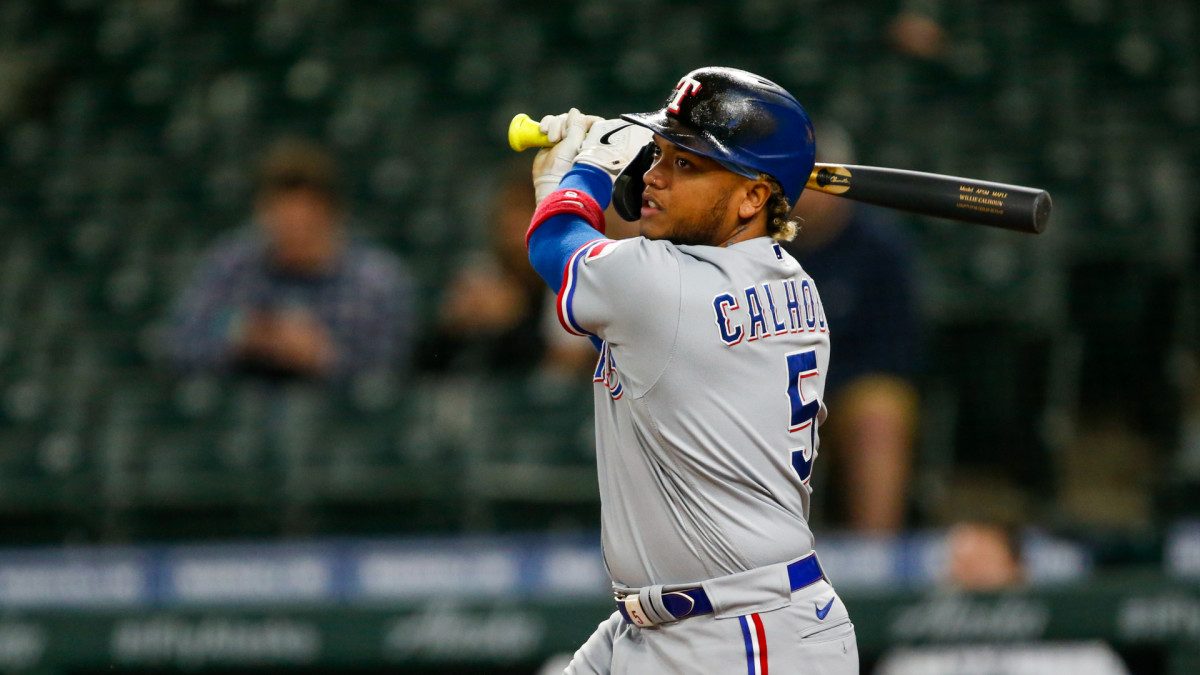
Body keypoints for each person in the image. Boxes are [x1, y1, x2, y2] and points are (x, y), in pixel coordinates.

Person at [524, 67, 857, 674]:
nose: (652, 176)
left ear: (754, 197)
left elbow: (552, 244)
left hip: (742, 636)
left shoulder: (666, 284)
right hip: (695, 620)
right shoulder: (793, 280)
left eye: (687, 165)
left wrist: (583, 175)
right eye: (661, 155)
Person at [164, 138, 415, 383]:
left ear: (333, 217)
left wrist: (322, 357)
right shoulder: (231, 265)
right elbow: (182, 343)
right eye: (282, 226)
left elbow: (391, 372)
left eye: (306, 227)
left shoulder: (375, 282)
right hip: (240, 409)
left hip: (337, 418)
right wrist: (244, 339)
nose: (293, 237)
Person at [783, 124, 921, 533]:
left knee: (880, 413)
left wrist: (816, 397)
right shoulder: (752, 242)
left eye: (811, 181)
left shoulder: (879, 247)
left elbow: (897, 353)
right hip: (766, 384)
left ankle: (876, 560)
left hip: (848, 387)